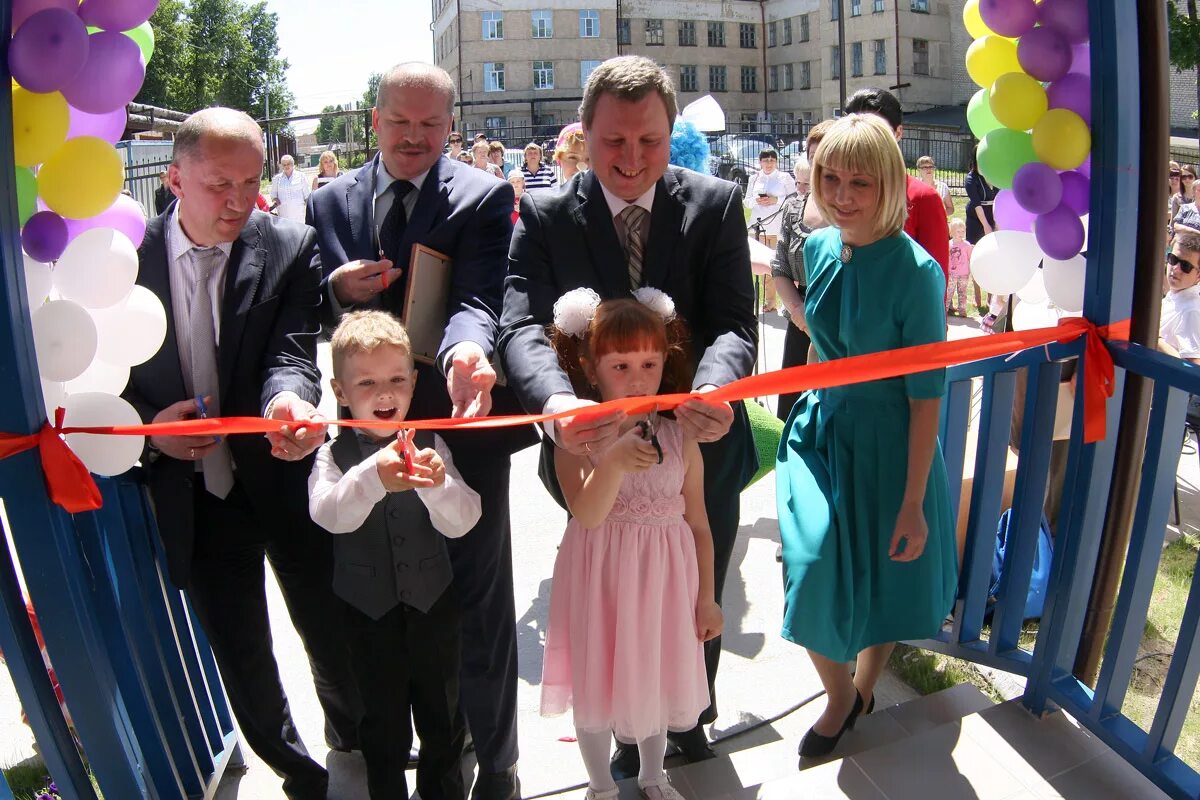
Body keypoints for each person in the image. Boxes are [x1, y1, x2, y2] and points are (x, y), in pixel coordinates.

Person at [501, 54, 758, 778]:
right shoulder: (549, 216)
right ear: (583, 133)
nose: (632, 158)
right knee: (621, 592)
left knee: (691, 582)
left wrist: (713, 388)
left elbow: (737, 322)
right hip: (593, 456)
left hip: (697, 448)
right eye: (614, 141)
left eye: (649, 140)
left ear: (670, 131)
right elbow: (519, 325)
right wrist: (555, 404)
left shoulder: (715, 205)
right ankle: (622, 722)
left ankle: (688, 714)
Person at [306, 62, 532, 800]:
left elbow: (478, 294)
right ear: (373, 121)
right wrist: (336, 288)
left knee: (477, 598)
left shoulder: (482, 192)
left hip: (455, 423)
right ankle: (375, 747)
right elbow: (302, 297)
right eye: (400, 121)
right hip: (359, 435)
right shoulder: (329, 201)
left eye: (431, 123)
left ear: (452, 124)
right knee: (369, 597)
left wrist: (470, 348)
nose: (415, 137)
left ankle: (492, 760)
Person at [123, 107, 360, 800]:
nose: (237, 202)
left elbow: (290, 352)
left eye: (251, 183)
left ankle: (354, 741)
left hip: (281, 475)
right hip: (192, 494)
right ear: (173, 178)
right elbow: (96, 381)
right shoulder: (121, 259)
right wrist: (147, 433)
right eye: (219, 184)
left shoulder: (288, 246)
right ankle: (295, 769)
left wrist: (287, 403)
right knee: (242, 650)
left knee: (328, 623)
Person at [776, 113, 956, 760]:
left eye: (860, 182)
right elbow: (812, 325)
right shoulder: (820, 246)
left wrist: (913, 501)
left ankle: (862, 689)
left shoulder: (918, 274)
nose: (842, 194)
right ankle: (841, 695)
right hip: (820, 430)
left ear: (889, 184)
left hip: (890, 441)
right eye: (831, 177)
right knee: (808, 562)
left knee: (882, 578)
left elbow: (926, 398)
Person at [540, 293, 720, 800]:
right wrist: (613, 462)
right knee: (597, 680)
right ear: (591, 371)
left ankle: (653, 774)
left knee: (656, 676)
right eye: (620, 365)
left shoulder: (681, 438)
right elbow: (589, 513)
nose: (638, 378)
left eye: (649, 363)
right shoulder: (576, 439)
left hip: (665, 582)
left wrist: (707, 596)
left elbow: (701, 524)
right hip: (602, 581)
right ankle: (599, 785)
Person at [310, 310, 480, 800]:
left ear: (413, 381)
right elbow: (328, 514)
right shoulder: (331, 453)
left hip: (433, 609)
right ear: (340, 392)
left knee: (444, 721)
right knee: (381, 731)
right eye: (366, 382)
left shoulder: (432, 444)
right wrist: (371, 478)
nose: (385, 394)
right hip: (367, 616)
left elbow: (465, 518)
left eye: (396, 380)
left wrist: (437, 485)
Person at [844, 88, 950, 281]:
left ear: (898, 132)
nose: (865, 139)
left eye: (876, 130)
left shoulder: (923, 198)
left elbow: (935, 278)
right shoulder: (837, 192)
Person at [772, 120, 833, 423]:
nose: (818, 166)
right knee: (792, 412)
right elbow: (779, 266)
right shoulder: (793, 207)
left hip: (841, 322)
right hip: (801, 318)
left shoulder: (854, 209)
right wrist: (797, 310)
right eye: (812, 158)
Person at [746, 147, 795, 314]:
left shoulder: (784, 178)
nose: (768, 163)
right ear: (760, 162)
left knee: (775, 266)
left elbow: (793, 199)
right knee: (755, 267)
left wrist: (775, 200)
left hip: (776, 227)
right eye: (765, 160)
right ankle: (760, 301)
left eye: (772, 160)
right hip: (758, 226)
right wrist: (758, 200)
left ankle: (774, 301)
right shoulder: (754, 178)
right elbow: (747, 202)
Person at [1160, 232, 1200, 366]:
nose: (1176, 269)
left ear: (1198, 275)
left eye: (1185, 266)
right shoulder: (1176, 294)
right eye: (1173, 259)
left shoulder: (1192, 311)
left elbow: (1193, 367)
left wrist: (1155, 339)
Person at [270, 154, 312, 223]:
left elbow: (307, 196)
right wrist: (275, 199)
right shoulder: (276, 179)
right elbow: (273, 195)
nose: (286, 166)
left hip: (298, 215)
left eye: (288, 164)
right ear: (281, 166)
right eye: (284, 164)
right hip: (283, 216)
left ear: (293, 164)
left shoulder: (301, 176)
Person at [946, 218, 975, 317]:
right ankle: (944, 310)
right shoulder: (949, 244)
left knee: (962, 292)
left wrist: (971, 269)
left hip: (964, 273)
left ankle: (962, 310)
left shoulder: (967, 245)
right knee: (949, 292)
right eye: (958, 231)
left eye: (963, 231)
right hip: (951, 273)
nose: (961, 233)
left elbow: (970, 257)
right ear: (952, 232)